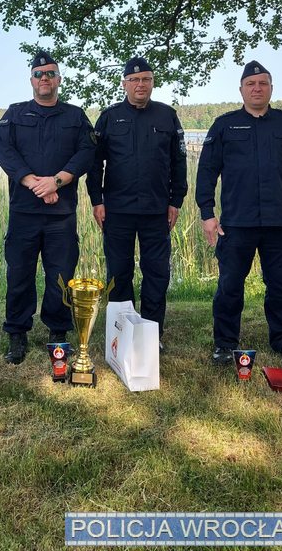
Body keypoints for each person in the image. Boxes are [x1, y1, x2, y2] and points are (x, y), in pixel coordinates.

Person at [195, 60, 282, 369]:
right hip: (236, 223)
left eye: (263, 83)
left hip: (279, 222)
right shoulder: (225, 125)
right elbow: (207, 171)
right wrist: (207, 213)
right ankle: (225, 344)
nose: (257, 88)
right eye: (251, 84)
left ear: (271, 88)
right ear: (241, 90)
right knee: (230, 286)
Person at [0, 51, 96, 364]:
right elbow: (5, 153)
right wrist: (35, 184)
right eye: (39, 74)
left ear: (59, 79)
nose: (45, 79)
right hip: (24, 213)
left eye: (50, 73)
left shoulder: (75, 116)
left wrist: (57, 181)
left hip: (60, 214)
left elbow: (86, 153)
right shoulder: (14, 114)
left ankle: (58, 332)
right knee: (19, 275)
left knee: (60, 275)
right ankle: (17, 333)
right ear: (31, 80)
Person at [86, 56, 188, 347]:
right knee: (119, 272)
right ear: (124, 84)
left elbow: (179, 161)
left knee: (157, 273)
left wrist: (176, 201)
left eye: (146, 79)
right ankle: (122, 331)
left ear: (153, 83)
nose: (140, 84)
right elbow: (94, 163)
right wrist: (96, 200)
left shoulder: (167, 116)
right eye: (134, 80)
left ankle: (152, 333)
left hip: (157, 210)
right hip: (117, 210)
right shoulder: (109, 117)